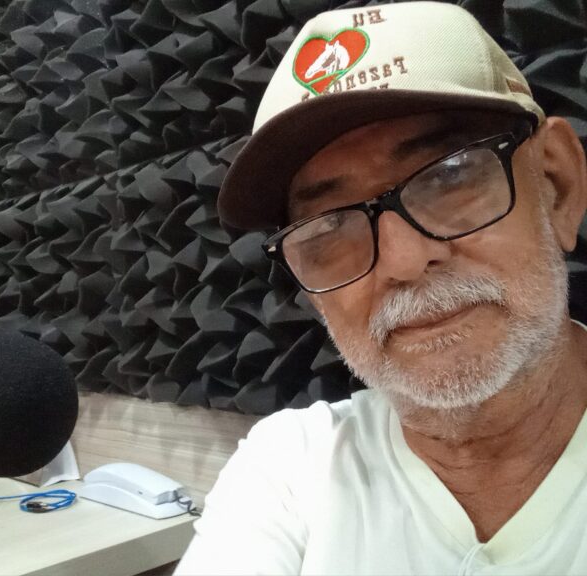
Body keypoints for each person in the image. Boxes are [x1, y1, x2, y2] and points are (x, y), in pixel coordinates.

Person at [174, 2, 587, 574]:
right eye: (328, 227)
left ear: (557, 187)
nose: (404, 261)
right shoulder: (290, 468)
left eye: (448, 176)